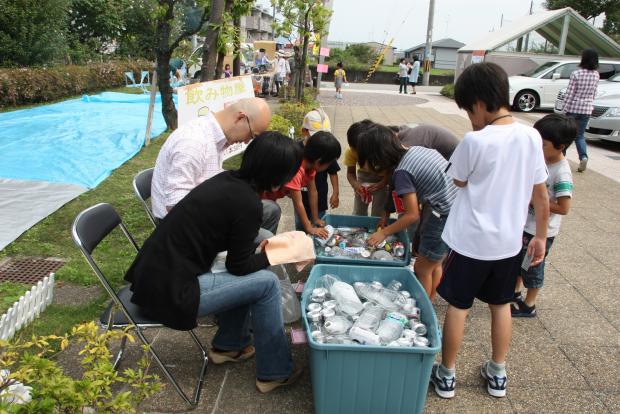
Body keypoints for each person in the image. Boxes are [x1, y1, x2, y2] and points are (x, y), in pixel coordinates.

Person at [125, 132, 304, 393]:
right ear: (278, 176)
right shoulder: (248, 204)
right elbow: (239, 267)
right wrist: (276, 255)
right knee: (266, 283)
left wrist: (261, 250)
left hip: (154, 278)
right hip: (171, 293)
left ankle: (229, 346)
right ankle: (274, 373)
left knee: (257, 262)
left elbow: (230, 247)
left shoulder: (228, 180)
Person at [431, 62, 549, 399]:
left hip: (469, 242)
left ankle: (447, 374)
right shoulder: (531, 135)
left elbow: (458, 179)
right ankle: (497, 373)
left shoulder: (475, 140)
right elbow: (540, 193)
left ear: (480, 103)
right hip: (509, 243)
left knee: (458, 307)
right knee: (500, 305)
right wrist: (539, 237)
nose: (470, 117)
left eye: (469, 109)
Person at [150, 98, 281, 235]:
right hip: (184, 226)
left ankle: (247, 248)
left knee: (270, 209)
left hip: (204, 208)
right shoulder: (192, 142)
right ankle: (244, 253)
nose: (247, 141)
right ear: (240, 118)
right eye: (252, 136)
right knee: (265, 236)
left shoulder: (213, 137)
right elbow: (176, 206)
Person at [357, 124, 458, 300]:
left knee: (422, 268)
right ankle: (431, 300)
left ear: (378, 157)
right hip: (457, 210)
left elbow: (412, 215)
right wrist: (386, 216)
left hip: (442, 216)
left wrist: (384, 233)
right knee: (435, 263)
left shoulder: (403, 171)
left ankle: (423, 309)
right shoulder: (416, 149)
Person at [512, 114, 576, 317]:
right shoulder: (542, 161)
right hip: (527, 223)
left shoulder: (562, 172)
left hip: (542, 230)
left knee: (532, 265)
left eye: (544, 144)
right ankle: (514, 292)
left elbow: (564, 207)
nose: (538, 148)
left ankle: (529, 304)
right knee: (519, 260)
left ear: (561, 146)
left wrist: (534, 200)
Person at [262, 130, 341, 239]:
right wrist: (309, 228)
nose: (329, 167)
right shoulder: (296, 169)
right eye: (328, 163)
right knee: (264, 226)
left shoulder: (311, 167)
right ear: (319, 161)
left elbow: (313, 192)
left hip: (272, 196)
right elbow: (298, 202)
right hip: (261, 197)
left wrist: (315, 218)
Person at [300, 109, 340, 225]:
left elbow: (333, 172)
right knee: (301, 224)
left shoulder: (326, 150)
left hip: (320, 197)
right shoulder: (296, 152)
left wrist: (335, 193)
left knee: (319, 223)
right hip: (300, 198)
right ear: (304, 131)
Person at [562, 48, 599, 172]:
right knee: (580, 136)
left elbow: (570, 93)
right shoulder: (596, 75)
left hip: (573, 108)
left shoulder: (576, 74)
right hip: (587, 109)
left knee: (566, 134)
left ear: (584, 59)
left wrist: (564, 108)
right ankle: (583, 157)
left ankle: (561, 157)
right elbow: (594, 93)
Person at [344, 119, 390, 217]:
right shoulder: (351, 151)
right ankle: (359, 227)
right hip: (363, 177)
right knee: (358, 211)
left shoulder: (384, 150)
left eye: (359, 150)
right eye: (353, 148)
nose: (355, 151)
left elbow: (391, 171)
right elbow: (350, 173)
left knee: (378, 211)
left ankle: (377, 228)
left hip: (382, 178)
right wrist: (355, 185)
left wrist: (382, 183)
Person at [395, 124, 460, 160]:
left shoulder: (410, 139)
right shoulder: (407, 130)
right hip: (455, 149)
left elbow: (402, 159)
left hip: (455, 154)